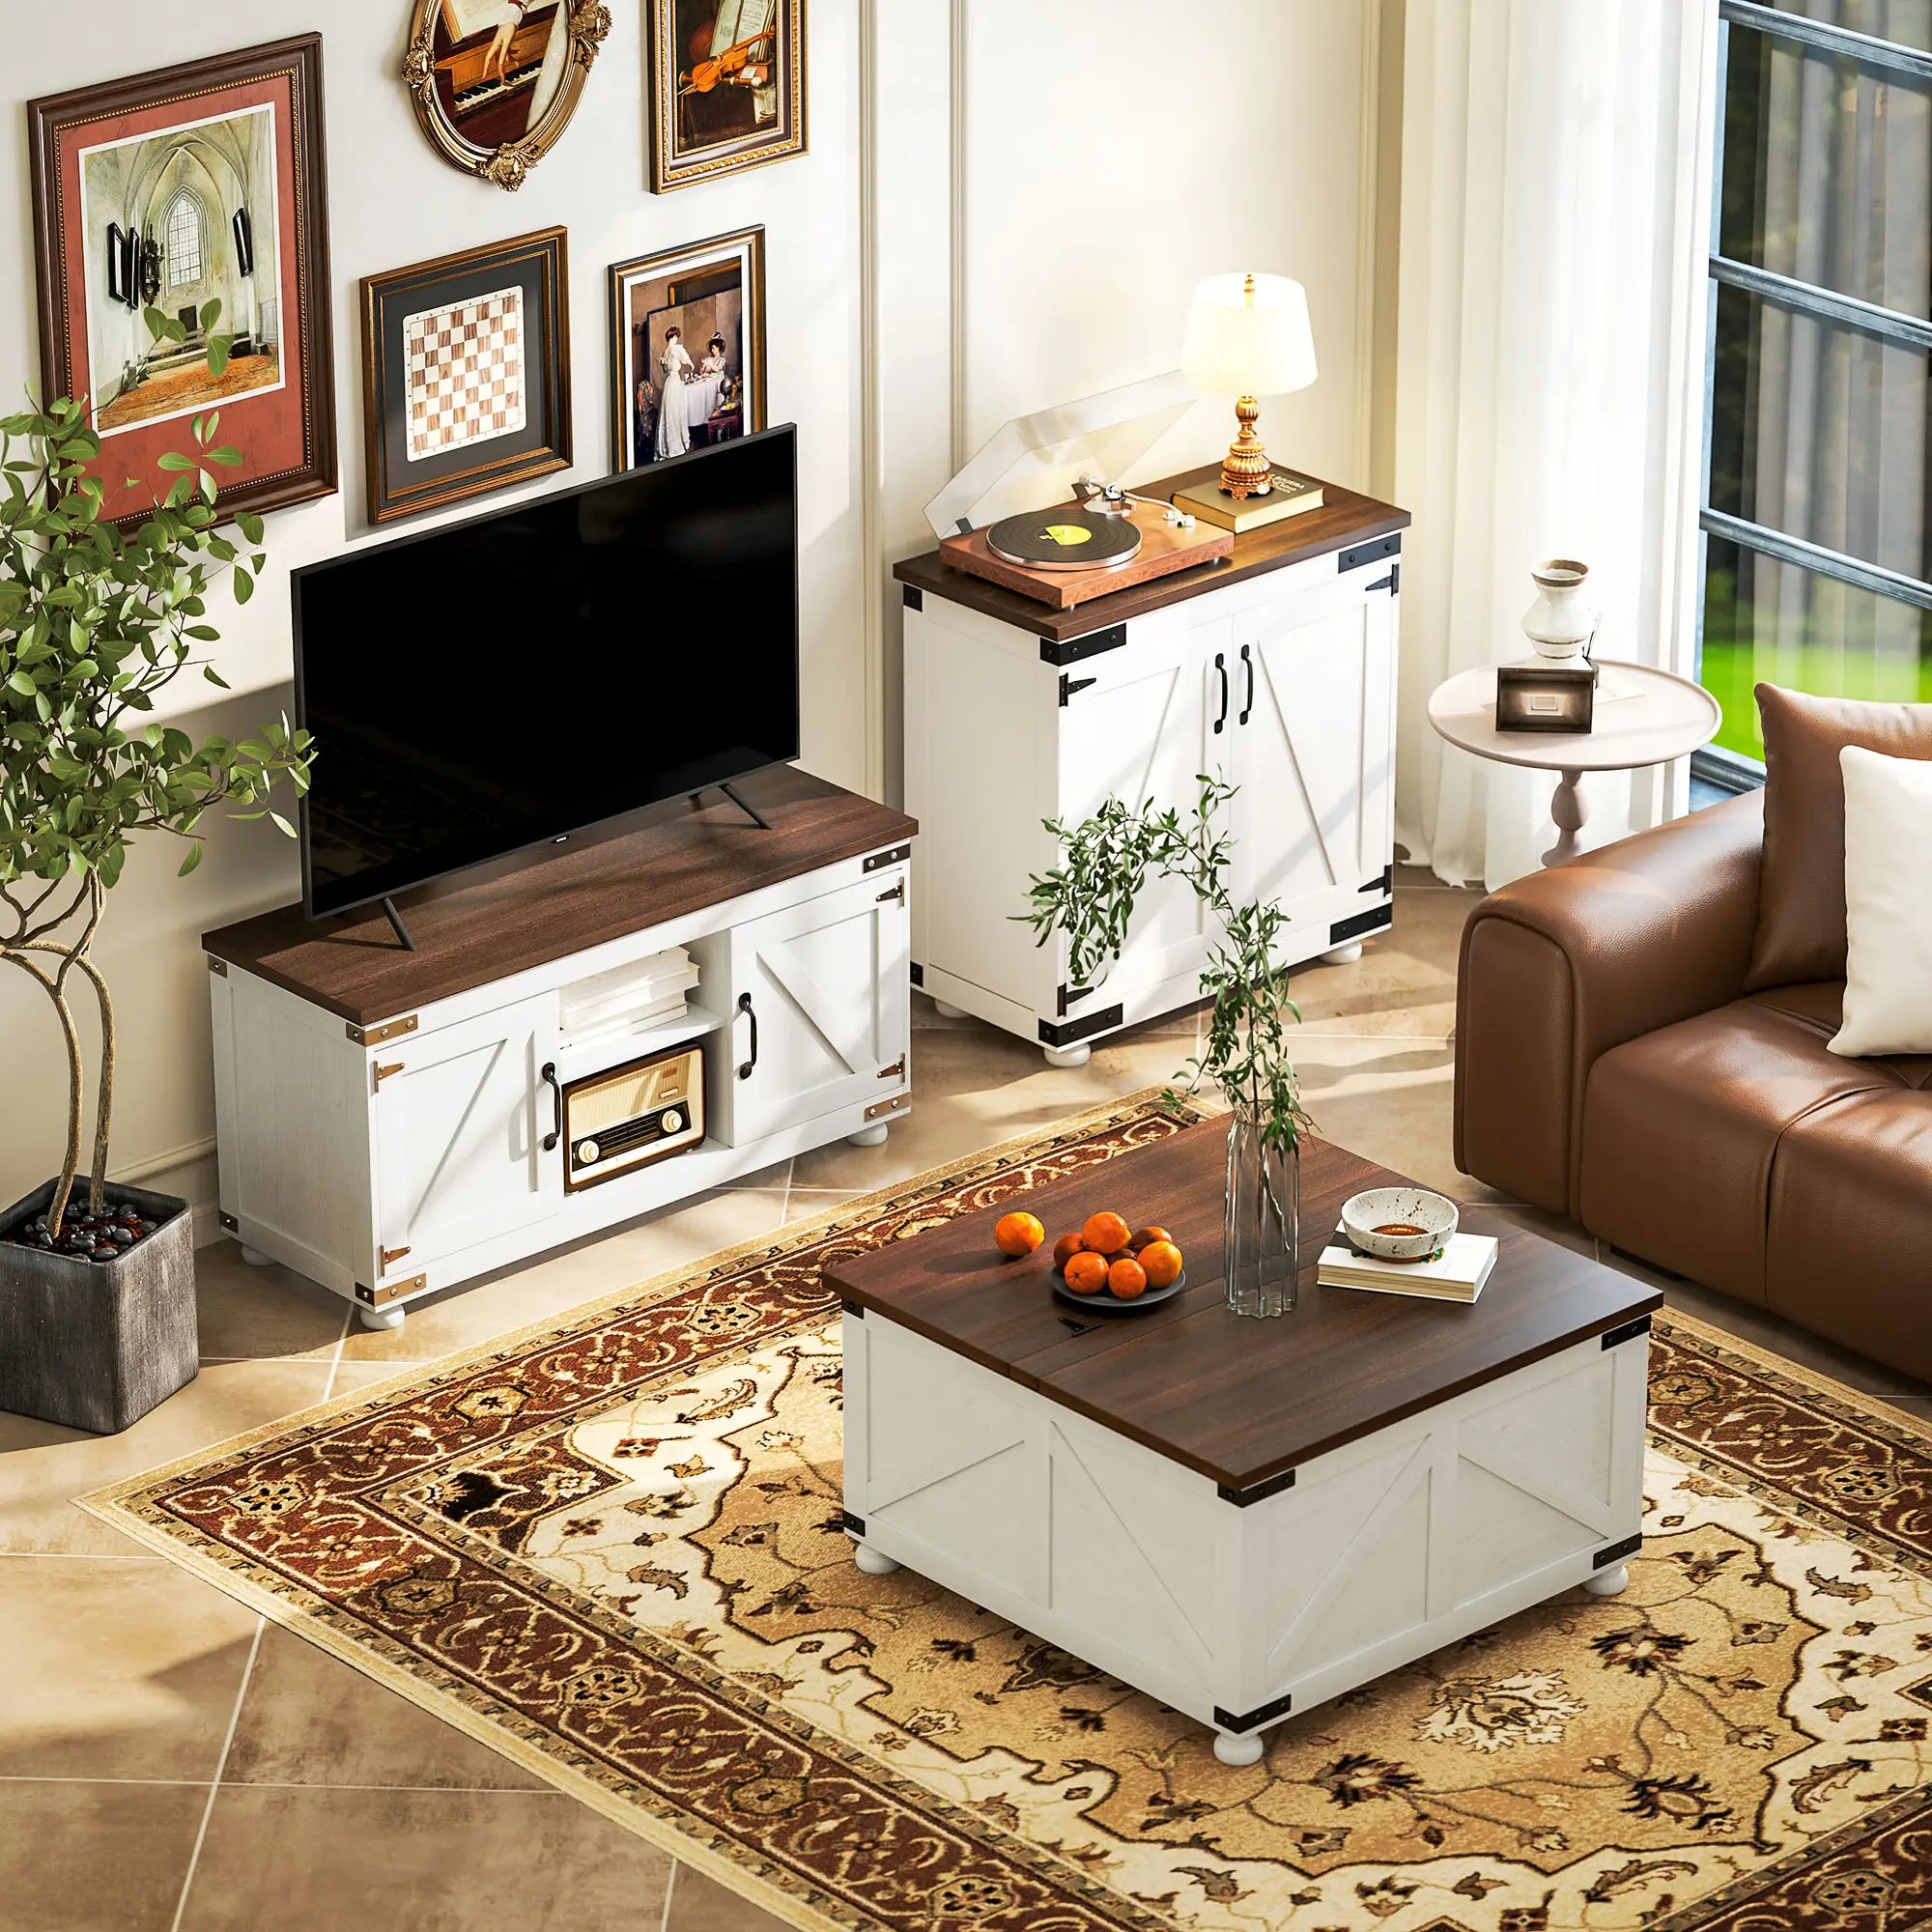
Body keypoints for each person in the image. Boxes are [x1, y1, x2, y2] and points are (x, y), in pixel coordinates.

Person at [652, 325, 695, 460]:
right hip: (675, 382)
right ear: (674, 336)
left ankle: (669, 444)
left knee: (670, 412)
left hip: (669, 382)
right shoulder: (676, 349)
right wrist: (691, 365)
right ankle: (677, 444)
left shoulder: (664, 353)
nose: (677, 339)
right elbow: (686, 359)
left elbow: (665, 370)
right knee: (676, 410)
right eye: (676, 337)